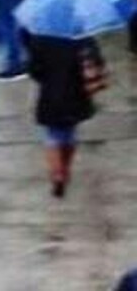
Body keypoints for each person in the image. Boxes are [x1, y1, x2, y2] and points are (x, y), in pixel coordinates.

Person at [23, 30, 105, 198]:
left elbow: (33, 69)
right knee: (69, 133)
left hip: (50, 94)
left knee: (53, 136)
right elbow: (97, 61)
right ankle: (65, 169)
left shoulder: (41, 36)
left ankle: (57, 174)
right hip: (76, 94)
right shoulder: (82, 35)